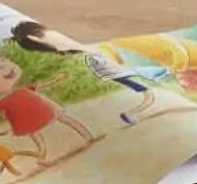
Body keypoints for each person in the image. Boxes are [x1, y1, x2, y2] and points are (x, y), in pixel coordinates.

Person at [0, 49, 94, 178]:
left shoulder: (21, 89)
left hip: (43, 108)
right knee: (37, 135)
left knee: (63, 119)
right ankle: (43, 156)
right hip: (25, 119)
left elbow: (41, 84)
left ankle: (87, 136)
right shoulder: (1, 102)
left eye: (0, 62)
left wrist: (56, 78)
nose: (4, 68)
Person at [10, 19, 164, 126]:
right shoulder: (65, 48)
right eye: (48, 31)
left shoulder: (70, 48)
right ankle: (131, 113)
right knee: (148, 91)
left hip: (111, 69)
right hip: (111, 69)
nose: (55, 32)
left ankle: (133, 110)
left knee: (149, 88)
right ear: (36, 38)